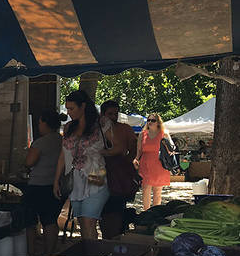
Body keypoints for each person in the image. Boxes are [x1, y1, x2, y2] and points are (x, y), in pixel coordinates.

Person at [53, 90, 117, 240]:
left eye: (71, 108)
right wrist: (56, 180)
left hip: (96, 172)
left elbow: (119, 147)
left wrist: (101, 153)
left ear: (83, 106)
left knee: (89, 220)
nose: (68, 112)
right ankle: (89, 254)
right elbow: (63, 155)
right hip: (75, 176)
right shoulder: (69, 127)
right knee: (82, 221)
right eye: (67, 109)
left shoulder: (101, 123)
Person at [24, 111, 66, 256]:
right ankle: (49, 253)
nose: (38, 125)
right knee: (50, 220)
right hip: (56, 185)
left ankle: (30, 252)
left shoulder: (41, 142)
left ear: (45, 124)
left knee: (30, 220)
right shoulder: (62, 141)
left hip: (38, 185)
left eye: (40, 123)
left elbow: (29, 162)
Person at [99, 100, 137, 239]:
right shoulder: (96, 128)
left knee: (117, 206)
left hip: (118, 174)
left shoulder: (125, 129)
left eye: (116, 114)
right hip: (98, 172)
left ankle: (117, 236)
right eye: (110, 114)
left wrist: (124, 163)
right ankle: (106, 236)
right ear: (102, 114)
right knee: (101, 207)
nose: (113, 117)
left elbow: (132, 150)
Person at [134, 113, 172, 210]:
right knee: (146, 189)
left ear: (158, 122)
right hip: (145, 164)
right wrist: (136, 159)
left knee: (157, 191)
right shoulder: (142, 134)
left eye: (153, 120)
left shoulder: (164, 133)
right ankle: (146, 212)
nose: (150, 122)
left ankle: (156, 213)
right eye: (149, 120)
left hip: (159, 164)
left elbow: (171, 149)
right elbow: (139, 150)